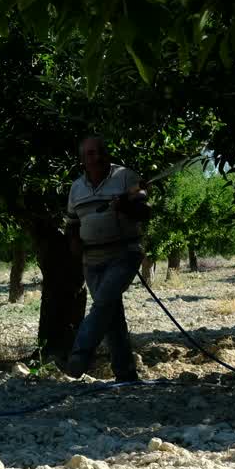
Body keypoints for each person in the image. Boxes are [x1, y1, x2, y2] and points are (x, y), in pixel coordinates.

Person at [61, 135, 151, 382]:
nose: (96, 157)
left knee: (102, 304)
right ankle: (125, 373)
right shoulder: (76, 188)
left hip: (123, 254)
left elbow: (144, 212)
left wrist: (125, 206)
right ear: (82, 159)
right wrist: (74, 243)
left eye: (100, 151)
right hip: (92, 260)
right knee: (111, 314)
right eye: (90, 153)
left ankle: (79, 356)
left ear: (107, 153)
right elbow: (71, 224)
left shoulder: (125, 177)